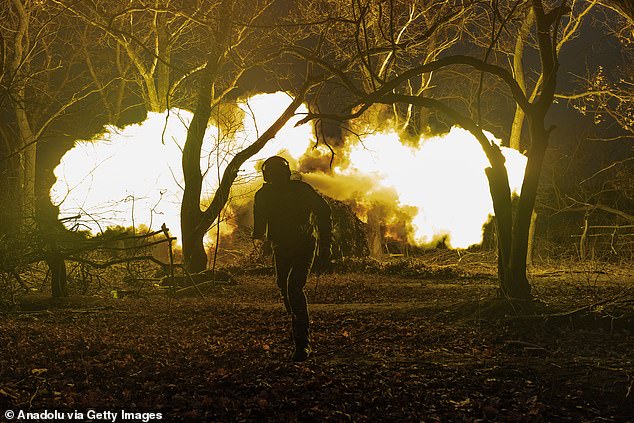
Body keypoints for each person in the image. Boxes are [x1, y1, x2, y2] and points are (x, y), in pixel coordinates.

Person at [253, 156, 332, 362]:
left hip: (304, 245)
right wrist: (259, 236)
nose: (277, 178)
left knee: (293, 287)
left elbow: (324, 212)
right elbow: (259, 222)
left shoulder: (300, 191)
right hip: (282, 247)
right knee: (284, 286)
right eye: (274, 174)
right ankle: (297, 318)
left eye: (279, 174)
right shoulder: (264, 195)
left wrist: (325, 245)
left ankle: (302, 344)